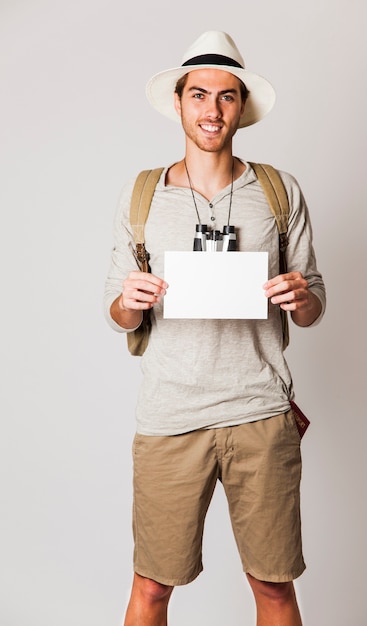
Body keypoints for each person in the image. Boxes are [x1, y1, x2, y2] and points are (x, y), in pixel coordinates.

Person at [104, 30, 326, 626]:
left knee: (275, 588)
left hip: (260, 413)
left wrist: (299, 297)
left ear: (241, 109)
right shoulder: (143, 194)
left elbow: (313, 305)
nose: (212, 109)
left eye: (226, 97)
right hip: (170, 417)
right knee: (151, 588)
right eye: (198, 94)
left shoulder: (278, 191)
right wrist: (130, 298)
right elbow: (117, 312)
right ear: (178, 104)